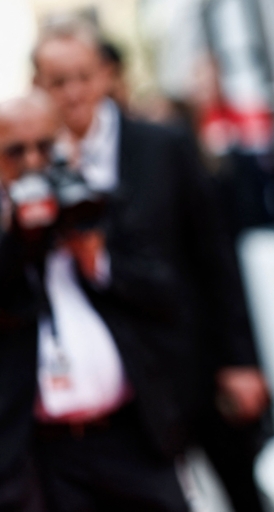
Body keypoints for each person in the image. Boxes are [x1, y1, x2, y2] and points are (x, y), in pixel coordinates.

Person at [31, 20, 270, 512]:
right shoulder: (37, 164)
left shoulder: (163, 145)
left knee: (241, 490)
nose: (73, 92)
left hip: (196, 359)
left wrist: (241, 360)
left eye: (82, 76)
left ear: (104, 75)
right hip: (125, 389)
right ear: (39, 87)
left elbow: (215, 258)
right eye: (58, 82)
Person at [0, 91, 187, 511]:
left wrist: (97, 258)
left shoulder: (106, 205)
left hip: (134, 437)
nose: (33, 163)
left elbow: (165, 292)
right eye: (16, 152)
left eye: (45, 148)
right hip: (46, 456)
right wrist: (19, 240)